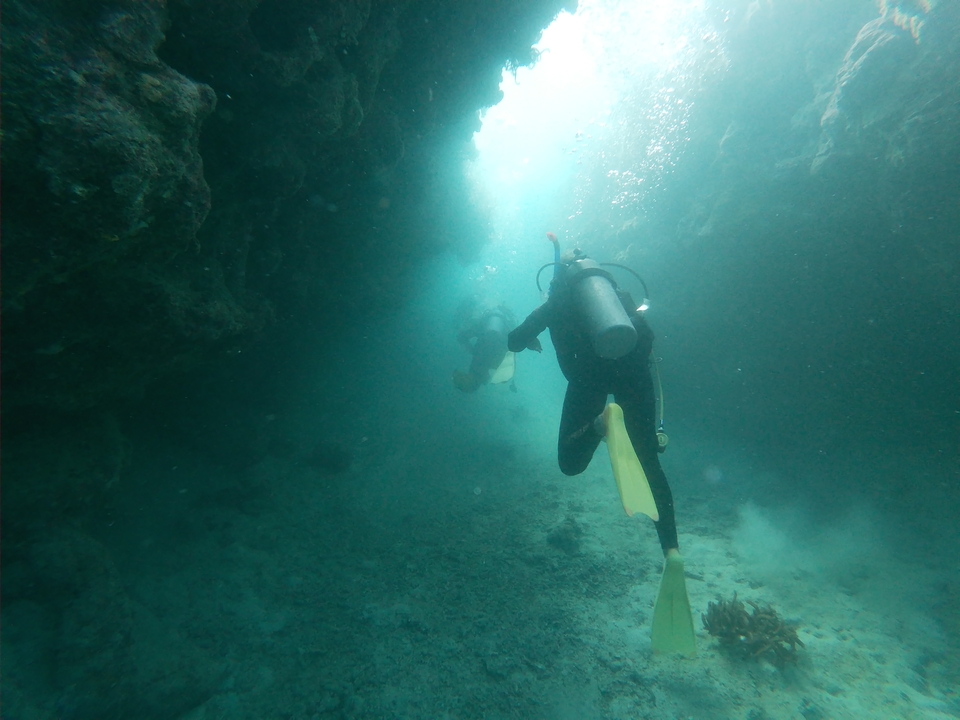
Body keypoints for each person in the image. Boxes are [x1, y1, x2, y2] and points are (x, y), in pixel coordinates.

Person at [508, 244, 695, 654]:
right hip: (634, 375)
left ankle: (600, 424)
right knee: (650, 466)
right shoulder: (617, 296)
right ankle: (672, 551)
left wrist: (531, 335)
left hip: (588, 380)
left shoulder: (558, 300)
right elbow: (646, 340)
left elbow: (514, 339)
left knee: (570, 464)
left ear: (558, 278)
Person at [453, 304, 517, 393]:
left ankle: (471, 384)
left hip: (490, 349)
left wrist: (471, 349)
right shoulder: (491, 328)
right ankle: (472, 383)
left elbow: (462, 337)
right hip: (494, 348)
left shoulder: (483, 326)